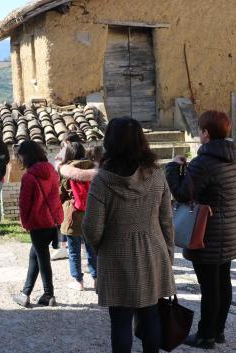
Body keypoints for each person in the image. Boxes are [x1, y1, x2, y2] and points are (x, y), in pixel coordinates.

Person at [82, 118, 176, 353]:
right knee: (151, 315)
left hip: (116, 256)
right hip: (153, 252)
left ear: (110, 142)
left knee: (121, 321)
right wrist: (169, 255)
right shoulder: (157, 175)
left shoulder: (102, 181)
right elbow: (166, 220)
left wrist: (100, 248)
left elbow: (91, 228)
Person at [165, 111, 236, 349]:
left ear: (206, 133)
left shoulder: (203, 162)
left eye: (200, 130)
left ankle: (205, 336)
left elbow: (181, 194)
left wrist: (172, 168)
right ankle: (218, 331)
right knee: (223, 283)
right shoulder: (235, 156)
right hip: (230, 230)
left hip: (207, 233)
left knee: (210, 288)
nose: (199, 134)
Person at [12, 141, 63, 308]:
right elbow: (57, 197)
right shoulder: (53, 171)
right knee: (35, 255)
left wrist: (24, 222)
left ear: (26, 156)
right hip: (53, 221)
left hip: (38, 223)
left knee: (42, 257)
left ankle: (49, 294)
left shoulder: (29, 177)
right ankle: (25, 293)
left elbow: (24, 204)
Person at [58, 142, 97, 291]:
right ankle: (96, 279)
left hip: (72, 214)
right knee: (92, 248)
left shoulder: (67, 170)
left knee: (73, 250)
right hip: (92, 213)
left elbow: (60, 194)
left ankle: (78, 281)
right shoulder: (93, 169)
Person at [51, 131, 82, 261]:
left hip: (70, 200)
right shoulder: (84, 157)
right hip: (83, 202)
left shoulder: (68, 159)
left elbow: (63, 185)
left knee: (67, 223)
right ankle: (66, 248)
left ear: (68, 142)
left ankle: (64, 248)